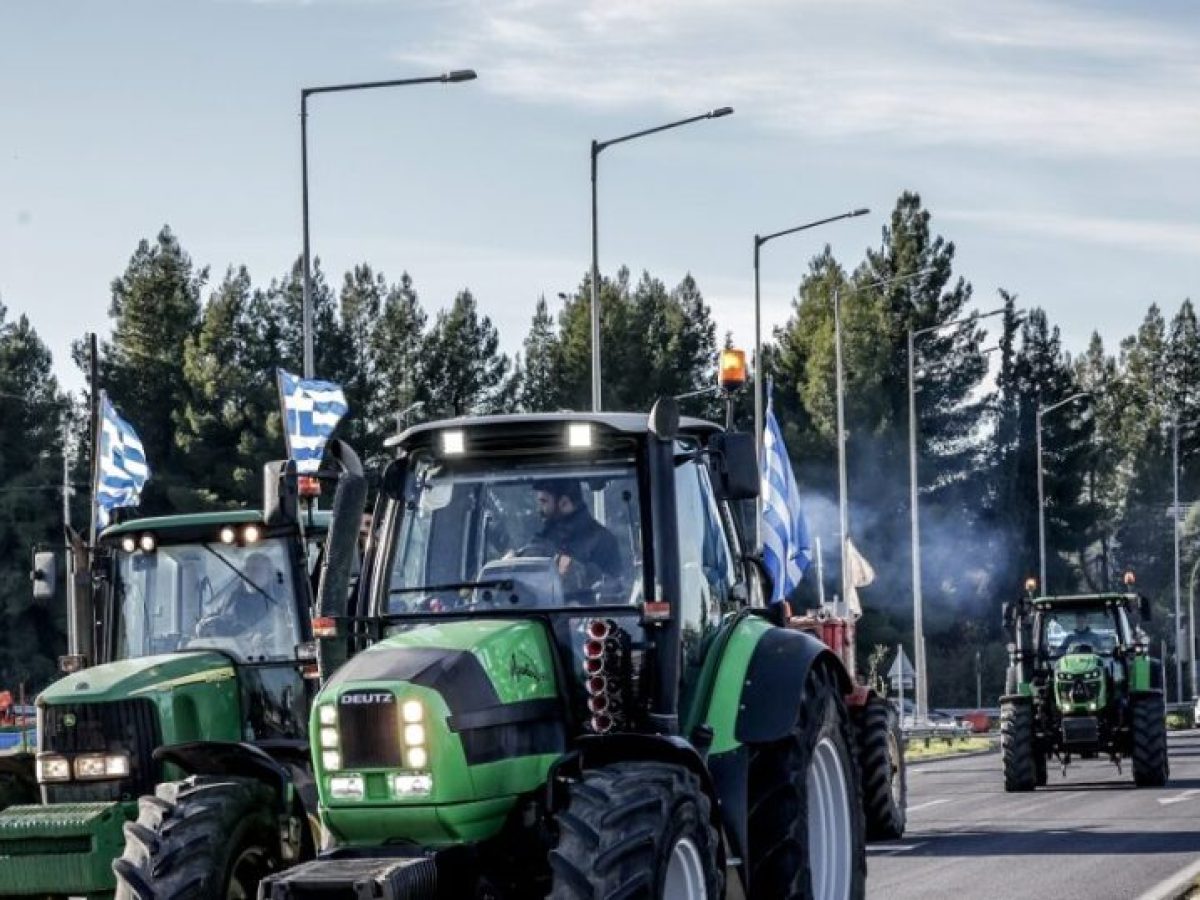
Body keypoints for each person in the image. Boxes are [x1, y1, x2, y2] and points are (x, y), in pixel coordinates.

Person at [529, 479, 621, 586]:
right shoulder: (542, 540)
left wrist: (579, 574)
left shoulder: (604, 542)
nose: (539, 509)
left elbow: (614, 589)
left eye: (544, 502)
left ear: (564, 503)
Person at [196, 551, 277, 638]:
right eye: (246, 569)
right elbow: (212, 617)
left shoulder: (276, 602)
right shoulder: (231, 596)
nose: (249, 573)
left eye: (255, 569)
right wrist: (204, 624)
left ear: (269, 575)